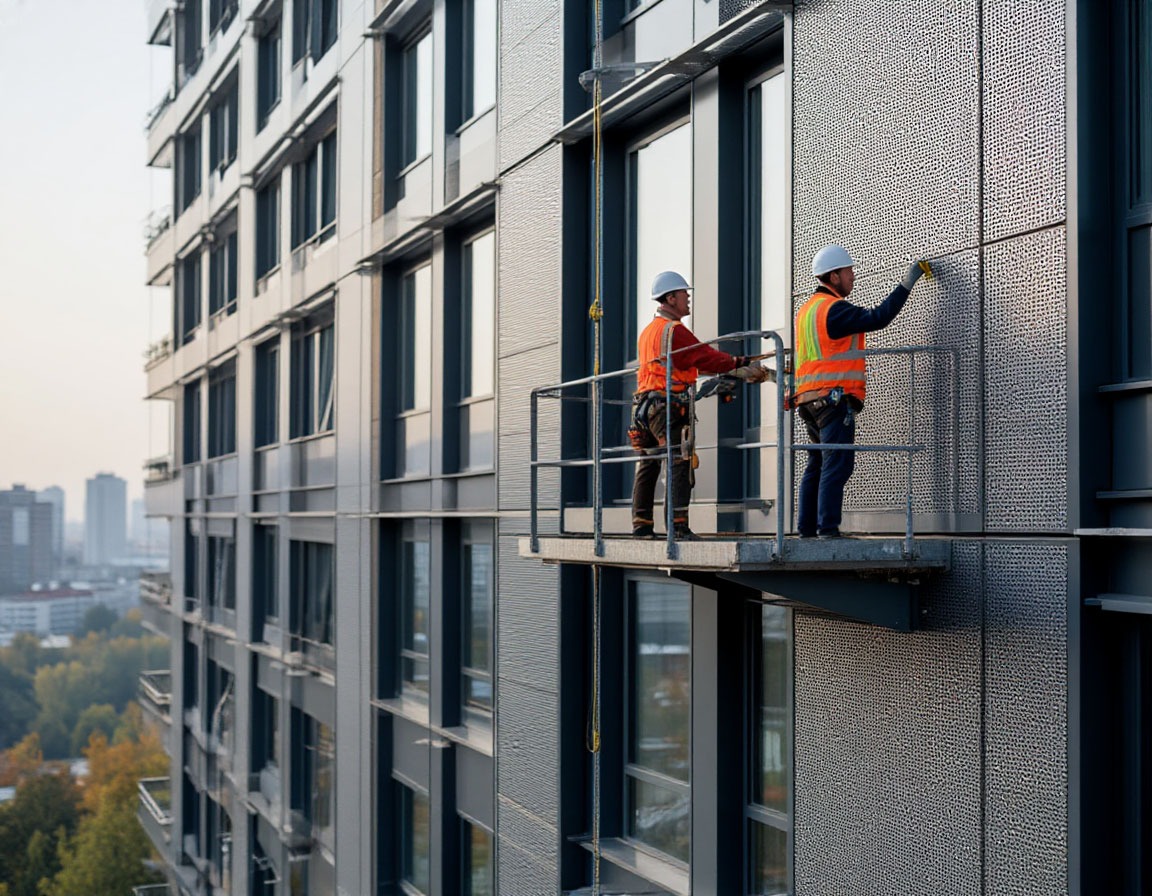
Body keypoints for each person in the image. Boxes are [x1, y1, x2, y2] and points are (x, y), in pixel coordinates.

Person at [791, 244, 929, 538]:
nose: (853, 276)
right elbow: (879, 317)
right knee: (837, 464)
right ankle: (827, 529)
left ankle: (806, 529)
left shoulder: (806, 311)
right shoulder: (834, 310)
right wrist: (908, 282)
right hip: (832, 399)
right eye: (848, 271)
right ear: (834, 276)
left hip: (808, 400)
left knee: (817, 464)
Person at [631, 271, 771, 539]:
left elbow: (685, 364)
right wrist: (737, 363)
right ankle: (678, 526)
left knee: (648, 465)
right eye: (685, 294)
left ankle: (641, 525)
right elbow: (703, 356)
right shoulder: (674, 331)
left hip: (643, 408)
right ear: (670, 298)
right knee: (679, 462)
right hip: (666, 406)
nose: (688, 298)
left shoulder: (649, 332)